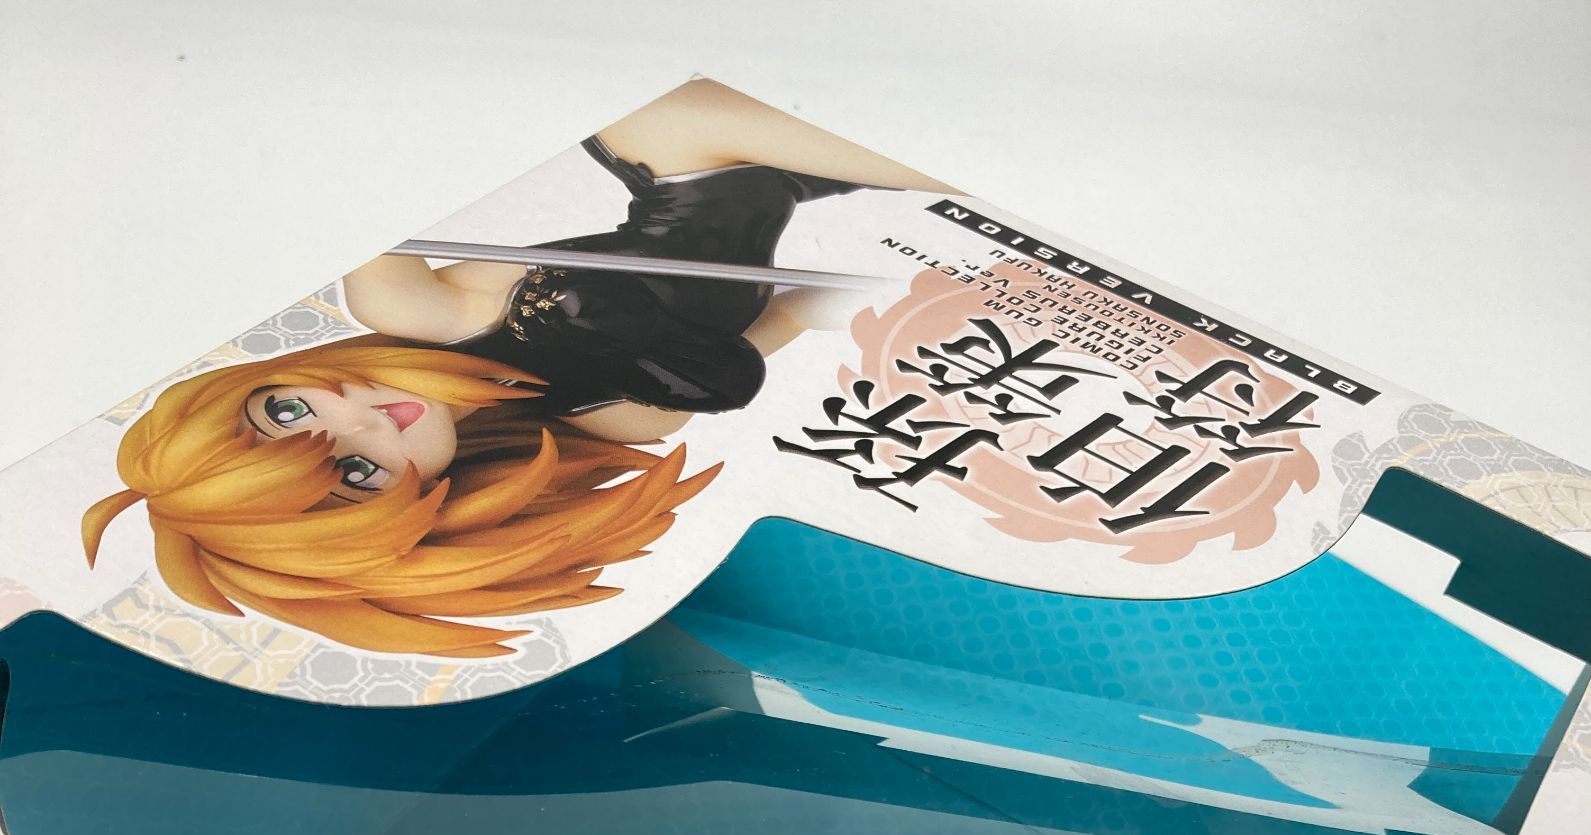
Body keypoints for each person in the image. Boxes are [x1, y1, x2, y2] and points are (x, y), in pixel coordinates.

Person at [82, 82, 944, 658]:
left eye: (283, 413)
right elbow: (793, 313)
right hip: (778, 181)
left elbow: (377, 169)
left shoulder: (408, 308)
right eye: (356, 472)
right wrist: (887, 294)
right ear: (425, 510)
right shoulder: (615, 415)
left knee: (670, 117)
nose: (360, 419)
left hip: (687, 147)